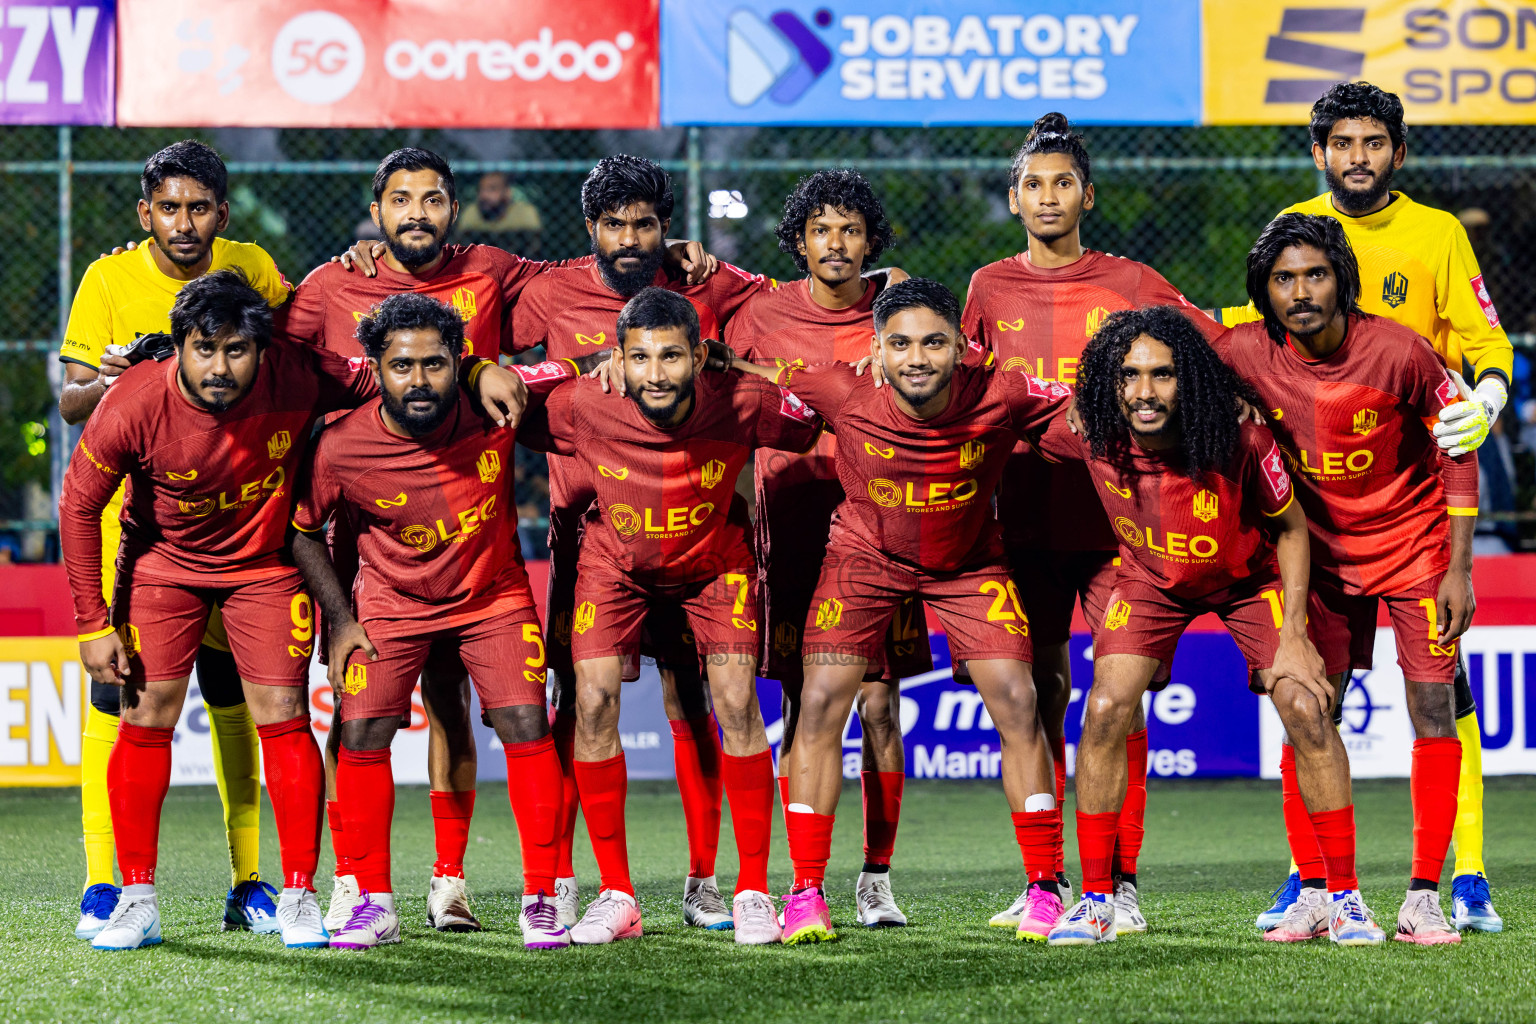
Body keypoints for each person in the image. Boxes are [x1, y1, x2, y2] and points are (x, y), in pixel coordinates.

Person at [57, 270, 531, 952]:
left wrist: (480, 366)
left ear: (262, 347)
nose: (221, 367)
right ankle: (138, 898)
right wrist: (91, 622)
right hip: (164, 569)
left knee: (282, 717)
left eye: (237, 351)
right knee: (146, 712)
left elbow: (390, 372)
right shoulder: (132, 402)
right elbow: (77, 506)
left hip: (264, 569)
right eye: (204, 349)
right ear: (181, 346)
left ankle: (301, 895)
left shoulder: (300, 371)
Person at [277, 146, 598, 934]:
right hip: (365, 546)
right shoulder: (327, 286)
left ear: (453, 209)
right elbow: (275, 365)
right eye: (400, 200)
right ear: (376, 209)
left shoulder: (490, 271)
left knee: (463, 710)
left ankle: (465, 883)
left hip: (473, 544)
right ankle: (356, 884)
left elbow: (591, 290)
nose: (415, 213)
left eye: (431, 199)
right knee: (357, 721)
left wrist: (689, 268)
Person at [1222, 83, 1511, 933]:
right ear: (1319, 153)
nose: (1358, 156)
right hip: (1318, 524)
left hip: (1417, 495)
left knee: (1440, 698)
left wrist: (1486, 399)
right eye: (1341, 143)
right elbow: (1221, 331)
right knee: (1311, 700)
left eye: (1374, 142)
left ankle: (1461, 877)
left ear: (1397, 151)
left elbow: (1485, 342)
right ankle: (1310, 880)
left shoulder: (1438, 234)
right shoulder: (1289, 237)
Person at [732, 279, 1072, 945]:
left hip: (970, 563)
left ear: (962, 347)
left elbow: (1086, 405)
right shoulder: (839, 388)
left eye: (934, 342)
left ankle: (1044, 886)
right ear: (876, 350)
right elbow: (751, 371)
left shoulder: (1004, 391)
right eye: (900, 344)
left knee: (1018, 699)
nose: (917, 357)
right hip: (863, 560)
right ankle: (804, 891)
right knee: (823, 700)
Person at [1034, 305, 1382, 946]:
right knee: (1106, 708)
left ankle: (1345, 899)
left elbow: (1293, 528)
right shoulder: (1086, 432)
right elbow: (996, 407)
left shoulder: (1240, 438)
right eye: (1128, 375)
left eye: (1162, 374)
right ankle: (1094, 901)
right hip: (1148, 582)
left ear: (1187, 377)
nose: (1143, 391)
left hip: (1250, 581)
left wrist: (1297, 634)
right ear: (1106, 384)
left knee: (1307, 709)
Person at [962, 113, 1225, 934]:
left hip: (1121, 530)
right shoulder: (986, 288)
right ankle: (1045, 881)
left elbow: (1212, 350)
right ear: (1013, 199)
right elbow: (960, 388)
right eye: (1033, 184)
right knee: (1039, 693)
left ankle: (1120, 881)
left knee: (1122, 696)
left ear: (1088, 194)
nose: (1048, 196)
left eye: (1062, 182)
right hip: (1021, 522)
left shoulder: (1134, 284)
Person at [518, 287, 824, 946]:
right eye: (640, 359)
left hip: (716, 568)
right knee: (593, 701)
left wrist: (736, 364)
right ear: (620, 361)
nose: (655, 374)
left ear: (698, 357)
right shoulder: (583, 403)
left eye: (672, 357)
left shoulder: (741, 400)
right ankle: (617, 892)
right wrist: (580, 364)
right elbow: (508, 398)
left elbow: (811, 416)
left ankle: (749, 891)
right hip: (614, 565)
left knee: (737, 704)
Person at [512, 154, 768, 930]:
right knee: (577, 701)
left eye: (646, 224)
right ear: (589, 229)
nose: (630, 239)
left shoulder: (712, 284)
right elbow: (469, 344)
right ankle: (562, 877)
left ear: (668, 227)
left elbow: (801, 305)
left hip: (699, 532)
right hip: (587, 535)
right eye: (614, 225)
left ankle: (706, 880)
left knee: (696, 698)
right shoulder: (549, 290)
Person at [56, 140, 293, 940]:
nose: (183, 224)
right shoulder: (109, 278)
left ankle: (251, 882)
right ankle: (104, 883)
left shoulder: (254, 266)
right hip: (145, 532)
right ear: (144, 212)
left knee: (235, 696)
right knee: (119, 697)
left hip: (240, 525)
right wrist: (122, 376)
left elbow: (294, 350)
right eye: (168, 208)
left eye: (198, 209)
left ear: (221, 215)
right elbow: (67, 400)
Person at [723, 168, 929, 928]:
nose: (835, 243)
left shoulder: (896, 312)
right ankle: (800, 878)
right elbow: (733, 413)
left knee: (879, 707)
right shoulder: (760, 315)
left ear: (869, 240)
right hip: (792, 528)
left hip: (879, 529)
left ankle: (875, 879)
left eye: (850, 229)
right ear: (799, 241)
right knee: (803, 707)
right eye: (821, 230)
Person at [456, 171, 543, 254]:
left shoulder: (524, 213)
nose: (484, 195)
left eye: (492, 189)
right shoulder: (471, 212)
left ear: (507, 192)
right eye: (481, 190)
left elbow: (534, 246)